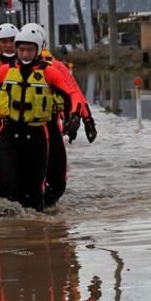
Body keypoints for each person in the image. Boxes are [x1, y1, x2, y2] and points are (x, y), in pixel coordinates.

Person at [0, 23, 86, 211]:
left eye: (29, 50)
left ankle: (36, 230)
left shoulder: (49, 71)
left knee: (33, 192)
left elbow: (73, 95)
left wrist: (76, 116)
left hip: (38, 135)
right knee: (7, 186)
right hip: (9, 133)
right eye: (22, 49)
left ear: (38, 50)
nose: (25, 54)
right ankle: (5, 233)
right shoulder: (4, 71)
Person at [38, 39, 97, 207]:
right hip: (12, 126)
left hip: (49, 122)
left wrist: (86, 119)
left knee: (55, 170)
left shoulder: (55, 68)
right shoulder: (9, 69)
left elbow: (75, 93)